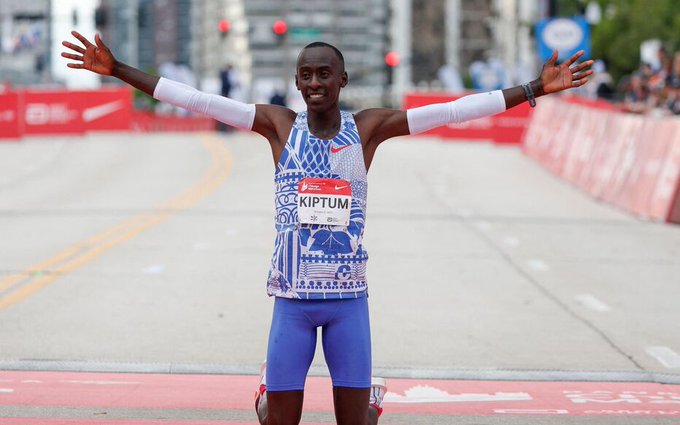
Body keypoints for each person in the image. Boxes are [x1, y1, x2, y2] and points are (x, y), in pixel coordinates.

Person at [61, 30, 593, 425]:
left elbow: (452, 111)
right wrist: (118, 69)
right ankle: (270, 397)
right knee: (279, 423)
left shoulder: (368, 130)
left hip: (347, 304)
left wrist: (532, 89)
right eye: (307, 75)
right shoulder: (277, 126)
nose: (315, 83)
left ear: (342, 80)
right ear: (297, 82)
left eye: (325, 74)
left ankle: (368, 404)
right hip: (291, 302)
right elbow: (195, 99)